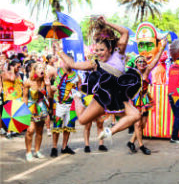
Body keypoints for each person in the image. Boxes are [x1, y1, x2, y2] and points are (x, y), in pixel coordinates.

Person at [54, 16, 142, 146]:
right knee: (83, 120)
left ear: (110, 49)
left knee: (136, 115)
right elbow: (73, 64)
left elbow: (125, 33)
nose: (99, 53)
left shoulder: (119, 54)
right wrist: (59, 51)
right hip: (101, 98)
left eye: (102, 50)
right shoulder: (95, 63)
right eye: (97, 50)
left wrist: (107, 22)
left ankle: (109, 131)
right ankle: (77, 97)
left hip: (118, 97)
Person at [128, 40, 166, 155]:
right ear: (136, 63)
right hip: (135, 101)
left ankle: (131, 142)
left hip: (145, 99)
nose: (142, 63)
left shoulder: (147, 70)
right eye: (139, 62)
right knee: (138, 124)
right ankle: (141, 146)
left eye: (144, 62)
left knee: (143, 125)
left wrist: (162, 48)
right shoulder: (132, 73)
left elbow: (155, 60)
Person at [50, 62, 81, 157]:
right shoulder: (57, 71)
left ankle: (64, 147)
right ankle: (54, 147)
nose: (68, 64)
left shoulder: (76, 76)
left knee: (68, 127)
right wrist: (50, 87)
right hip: (59, 103)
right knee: (57, 126)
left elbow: (79, 88)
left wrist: (77, 95)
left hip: (71, 105)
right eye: (66, 62)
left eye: (70, 62)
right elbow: (47, 80)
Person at [23, 63, 51, 161]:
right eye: (39, 68)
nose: (42, 70)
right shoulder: (28, 82)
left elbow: (49, 97)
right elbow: (25, 97)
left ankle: (37, 151)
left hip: (41, 107)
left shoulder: (45, 81)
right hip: (30, 108)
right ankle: (28, 152)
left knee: (39, 130)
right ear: (34, 70)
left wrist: (48, 85)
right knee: (30, 130)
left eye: (43, 68)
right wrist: (24, 110)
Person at [1, 59, 23, 139]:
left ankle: (13, 130)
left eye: (19, 67)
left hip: (18, 97)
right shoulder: (5, 73)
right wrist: (13, 70)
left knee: (15, 114)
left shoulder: (18, 74)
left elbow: (21, 82)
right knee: (10, 115)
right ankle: (8, 132)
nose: (18, 68)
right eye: (17, 67)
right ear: (12, 66)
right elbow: (12, 79)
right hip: (9, 96)